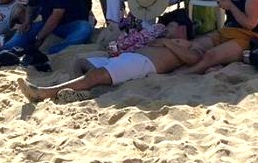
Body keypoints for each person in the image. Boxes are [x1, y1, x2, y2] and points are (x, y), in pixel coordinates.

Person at [20, 17, 198, 102]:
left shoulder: (186, 44)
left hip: (143, 63)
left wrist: (168, 42)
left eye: (172, 26)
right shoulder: (162, 37)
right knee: (81, 63)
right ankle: (82, 93)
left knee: (96, 75)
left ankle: (44, 93)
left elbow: (193, 59)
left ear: (182, 29)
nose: (167, 30)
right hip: (131, 57)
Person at [0, 0, 93, 55]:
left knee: (85, 29)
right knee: (24, 30)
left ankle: (52, 52)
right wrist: (27, 21)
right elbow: (31, 5)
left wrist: (38, 37)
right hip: (47, 22)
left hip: (72, 23)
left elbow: (56, 17)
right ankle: (1, 50)